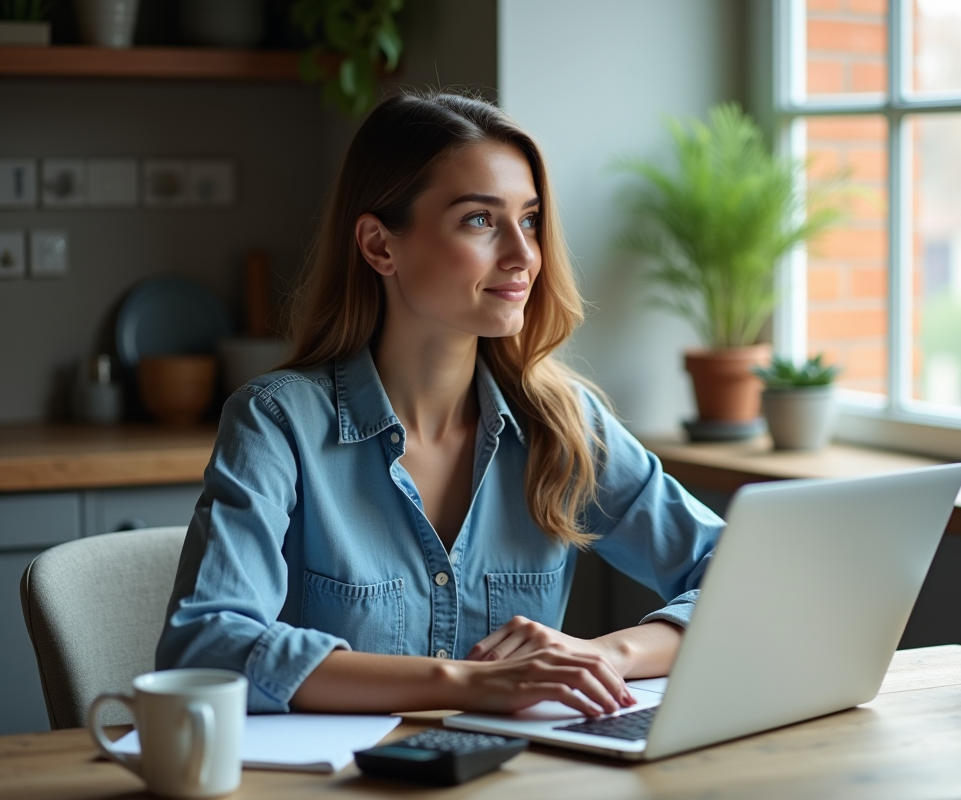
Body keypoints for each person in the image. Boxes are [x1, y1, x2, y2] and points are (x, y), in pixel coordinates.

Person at [157, 92, 724, 719]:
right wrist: (465, 683)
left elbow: (738, 574)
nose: (523, 255)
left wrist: (607, 655)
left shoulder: (563, 423)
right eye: (480, 220)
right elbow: (205, 647)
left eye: (530, 219)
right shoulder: (277, 423)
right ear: (379, 246)